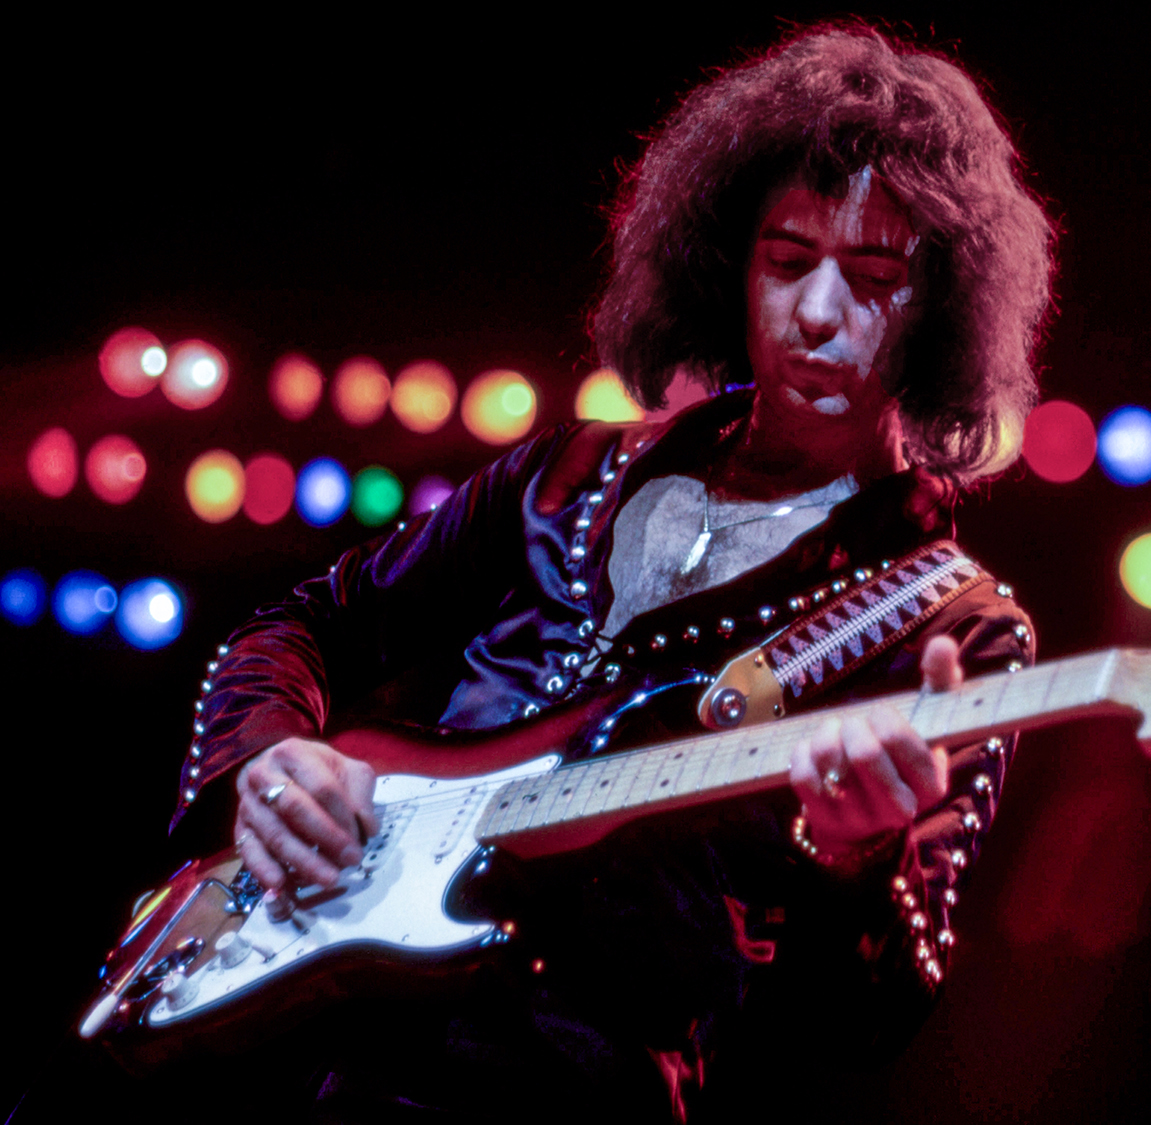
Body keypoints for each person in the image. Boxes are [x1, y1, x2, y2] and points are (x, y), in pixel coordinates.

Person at [166, 24, 1056, 1122]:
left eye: (873, 278)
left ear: (937, 312)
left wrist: (854, 858)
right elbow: (297, 626)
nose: (818, 313)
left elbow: (867, 1019)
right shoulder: (570, 470)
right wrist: (265, 765)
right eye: (786, 262)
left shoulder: (955, 625)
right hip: (293, 1031)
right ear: (727, 263)